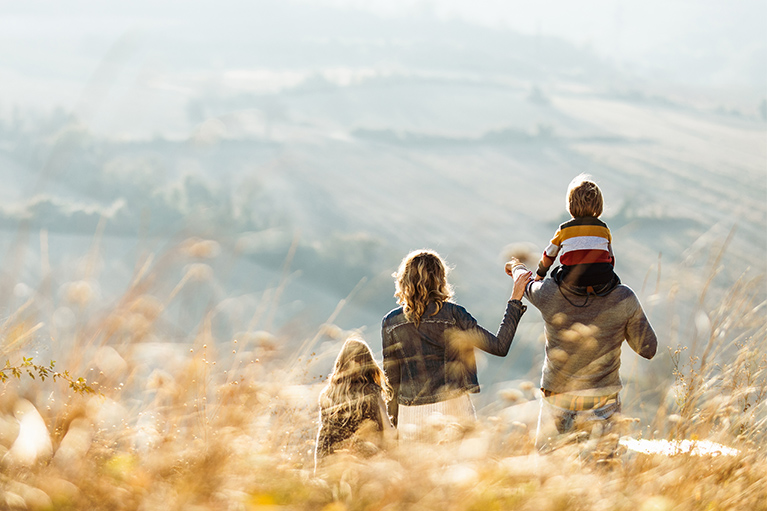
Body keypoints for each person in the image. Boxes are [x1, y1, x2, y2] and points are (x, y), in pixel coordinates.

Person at [505, 257, 657, 449]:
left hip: (556, 398)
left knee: (550, 473)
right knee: (602, 470)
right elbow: (648, 349)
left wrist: (515, 265)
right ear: (610, 260)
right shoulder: (622, 297)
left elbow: (524, 281)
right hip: (603, 401)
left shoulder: (548, 291)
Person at [382, 249, 531, 441]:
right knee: (458, 468)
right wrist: (515, 299)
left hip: (410, 416)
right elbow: (499, 347)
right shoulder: (454, 314)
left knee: (418, 471)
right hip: (454, 408)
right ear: (440, 280)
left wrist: (394, 423)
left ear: (403, 280)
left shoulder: (391, 322)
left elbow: (391, 380)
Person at [315, 336, 394, 468]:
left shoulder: (326, 394)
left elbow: (322, 436)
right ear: (367, 364)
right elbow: (388, 432)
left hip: (331, 462)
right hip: (364, 462)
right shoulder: (372, 392)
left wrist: (318, 468)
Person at [534, 174, 619, 295]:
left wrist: (539, 275)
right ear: (599, 205)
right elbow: (610, 258)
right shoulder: (603, 228)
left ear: (570, 204)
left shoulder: (564, 229)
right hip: (602, 280)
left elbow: (549, 255)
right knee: (616, 282)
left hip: (572, 281)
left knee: (556, 273)